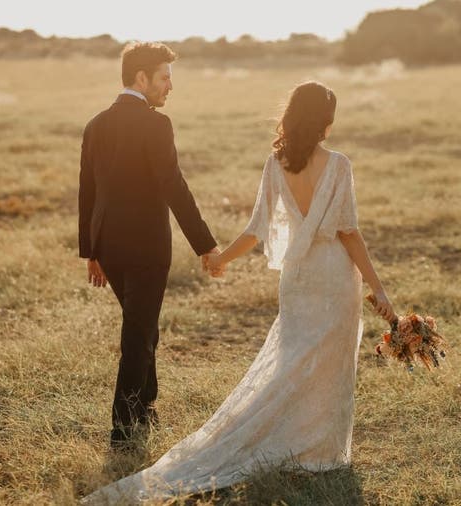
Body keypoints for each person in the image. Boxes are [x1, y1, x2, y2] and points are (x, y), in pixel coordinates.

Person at [82, 81, 395, 504]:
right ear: (327, 121)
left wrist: (222, 258)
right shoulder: (339, 165)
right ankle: (320, 450)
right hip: (334, 275)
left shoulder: (278, 163)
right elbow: (349, 232)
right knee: (329, 362)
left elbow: (256, 230)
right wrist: (378, 289)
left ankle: (295, 440)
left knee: (293, 358)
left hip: (298, 278)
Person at [78, 41, 221, 451]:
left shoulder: (95, 124)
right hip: (146, 249)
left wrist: (91, 251)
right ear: (140, 78)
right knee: (138, 334)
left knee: (142, 326)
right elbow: (174, 187)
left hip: (108, 246)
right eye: (164, 77)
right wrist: (205, 245)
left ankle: (145, 406)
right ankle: (123, 435)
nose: (170, 86)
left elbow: (87, 193)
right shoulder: (156, 125)